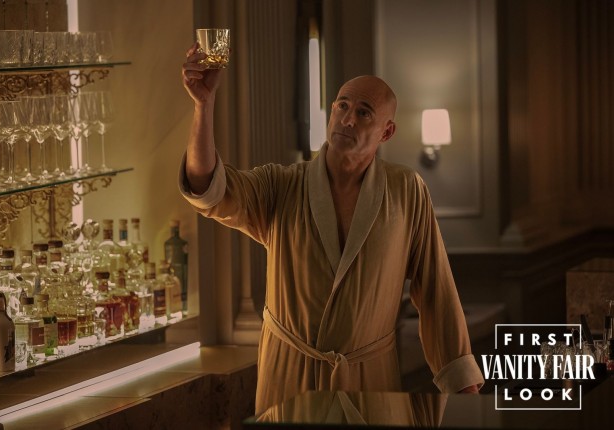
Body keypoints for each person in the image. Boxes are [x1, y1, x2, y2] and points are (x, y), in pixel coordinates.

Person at [179, 43, 484, 414]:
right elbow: (210, 189)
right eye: (342, 106)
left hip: (370, 381)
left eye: (363, 112)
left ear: (387, 132)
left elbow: (436, 290)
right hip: (289, 379)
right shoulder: (282, 185)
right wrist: (204, 105)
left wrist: (463, 387)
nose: (348, 119)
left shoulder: (406, 191)